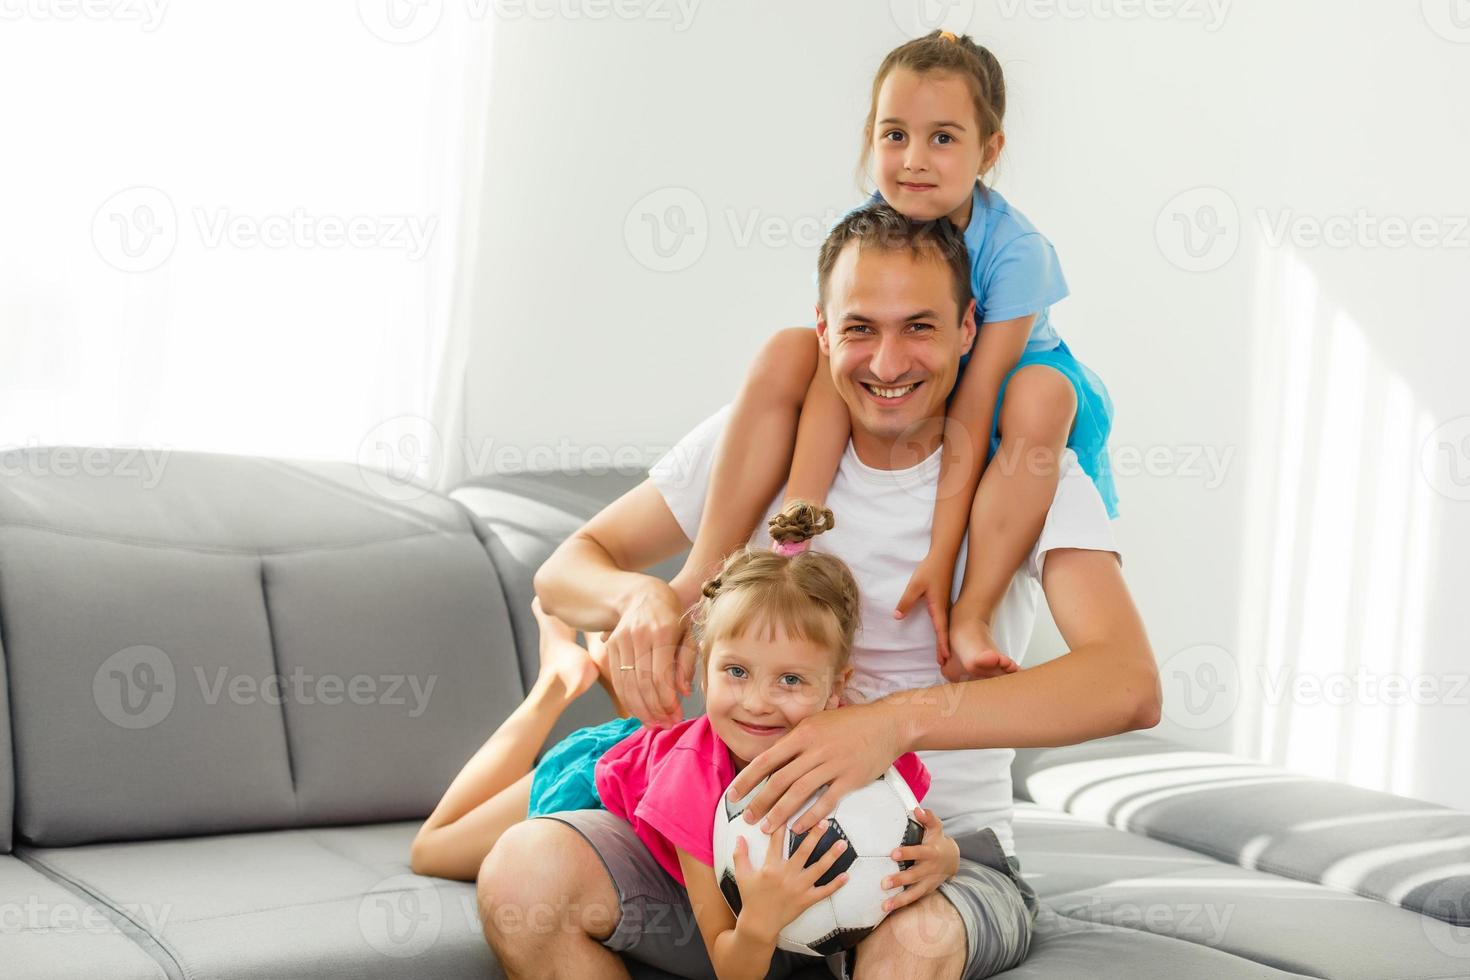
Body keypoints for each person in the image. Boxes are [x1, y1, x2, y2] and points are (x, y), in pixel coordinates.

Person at [505, 205, 1160, 980]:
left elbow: (1127, 685)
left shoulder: (1022, 469)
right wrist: (640, 599)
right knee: (527, 876)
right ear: (823, 329)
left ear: (968, 328)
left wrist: (888, 725)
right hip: (726, 846)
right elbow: (569, 568)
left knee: (908, 950)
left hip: (927, 861)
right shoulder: (759, 436)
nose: (887, 363)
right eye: (859, 330)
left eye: (920, 326)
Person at [659, 30, 1118, 705]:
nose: (914, 161)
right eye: (894, 134)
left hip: (1003, 379)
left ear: (990, 151)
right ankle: (740, 561)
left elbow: (976, 392)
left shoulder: (1017, 250)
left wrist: (940, 554)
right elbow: (827, 387)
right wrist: (799, 526)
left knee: (1039, 397)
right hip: (930, 376)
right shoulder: (864, 233)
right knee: (797, 352)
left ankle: (971, 612)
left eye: (943, 138)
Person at [413, 502, 951, 979]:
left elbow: (917, 836)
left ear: (837, 689)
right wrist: (759, 926)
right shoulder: (696, 786)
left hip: (664, 750)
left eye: (790, 680)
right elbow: (729, 963)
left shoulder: (865, 750)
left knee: (664, 737)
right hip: (604, 771)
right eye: (736, 671)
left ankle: (604, 672)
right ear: (703, 672)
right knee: (432, 850)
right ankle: (556, 683)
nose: (759, 702)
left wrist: (942, 858)